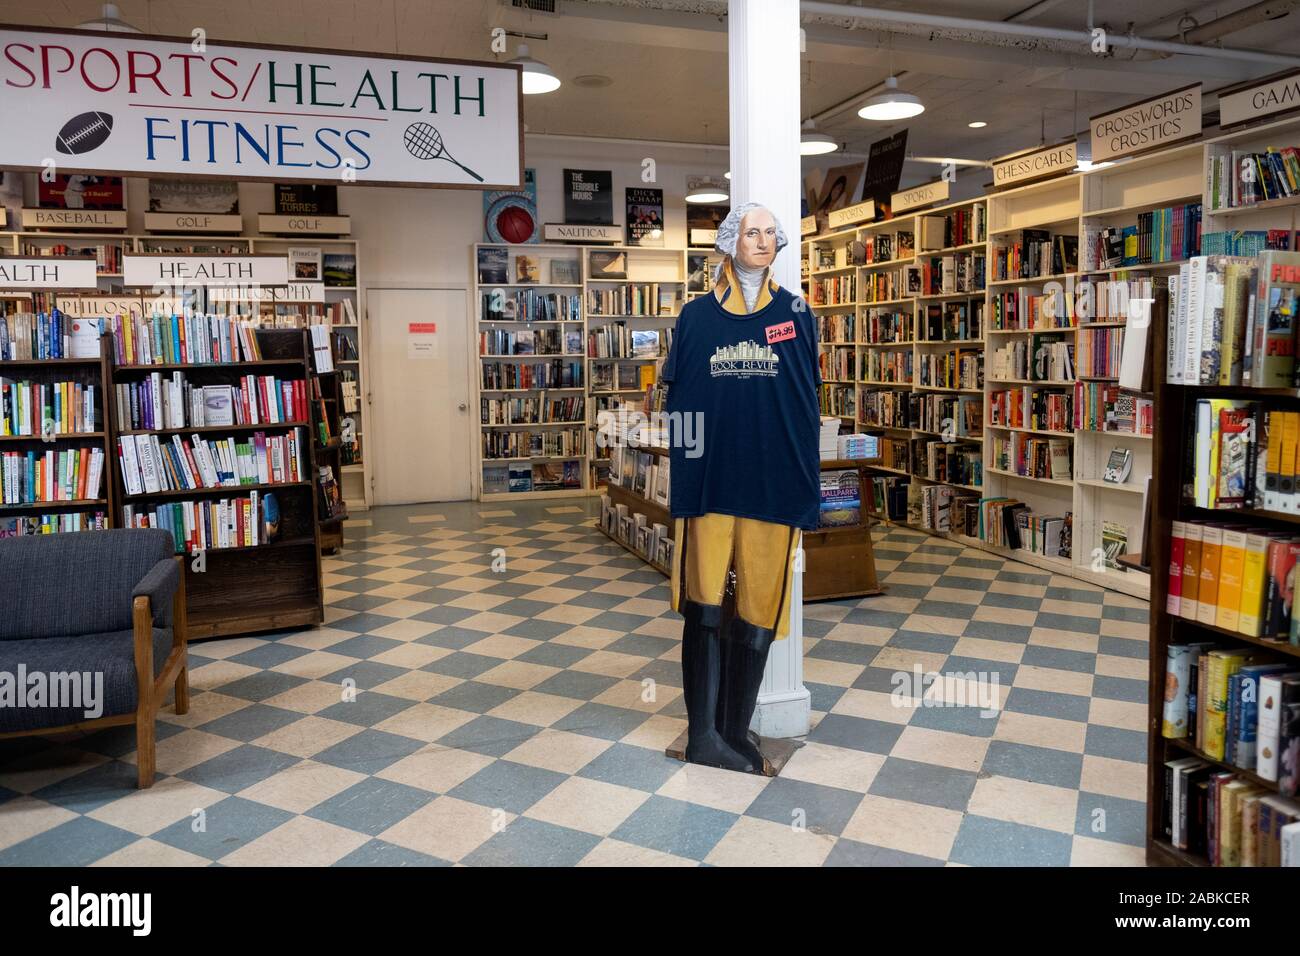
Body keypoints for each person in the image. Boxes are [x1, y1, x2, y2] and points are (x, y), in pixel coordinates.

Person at [660, 202, 820, 773]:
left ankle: (735, 728)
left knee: (757, 606)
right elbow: (677, 405)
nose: (762, 241)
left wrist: (805, 487)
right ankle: (702, 733)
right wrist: (687, 475)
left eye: (771, 233)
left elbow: (807, 407)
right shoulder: (697, 318)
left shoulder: (797, 314)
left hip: (771, 486)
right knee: (704, 603)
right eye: (752, 232)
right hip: (710, 483)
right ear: (730, 240)